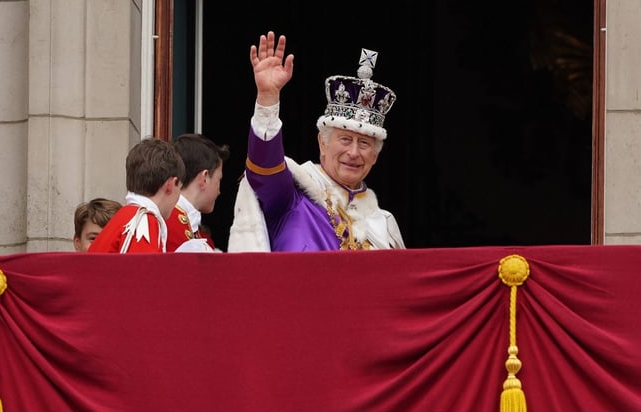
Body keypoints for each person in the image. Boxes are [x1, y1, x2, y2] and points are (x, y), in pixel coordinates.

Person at [227, 31, 405, 252]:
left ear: (375, 156)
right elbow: (264, 169)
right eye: (345, 139)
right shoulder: (293, 196)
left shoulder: (384, 226)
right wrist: (267, 99)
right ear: (322, 143)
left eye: (364, 144)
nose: (353, 152)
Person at [88, 137, 185, 254]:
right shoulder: (144, 221)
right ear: (170, 185)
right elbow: (144, 270)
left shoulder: (124, 217)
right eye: (179, 188)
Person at [166, 133, 230, 253]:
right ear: (204, 178)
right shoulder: (162, 223)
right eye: (219, 179)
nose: (219, 192)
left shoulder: (203, 237)